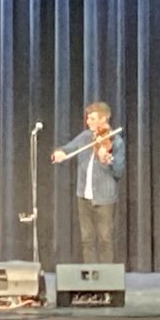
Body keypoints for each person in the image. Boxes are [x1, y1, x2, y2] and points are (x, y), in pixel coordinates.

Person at [52, 101, 126, 263]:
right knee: (87, 240)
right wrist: (60, 153)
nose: (88, 122)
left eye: (92, 118)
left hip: (104, 198)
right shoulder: (86, 137)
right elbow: (68, 148)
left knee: (105, 240)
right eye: (88, 118)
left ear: (104, 119)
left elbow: (118, 172)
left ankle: (106, 281)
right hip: (83, 196)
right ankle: (90, 279)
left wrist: (107, 161)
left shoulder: (116, 141)